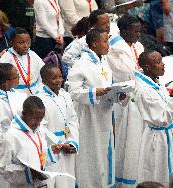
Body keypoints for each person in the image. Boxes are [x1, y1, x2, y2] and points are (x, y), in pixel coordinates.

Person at [134, 50, 173, 186]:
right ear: (147, 67)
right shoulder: (144, 91)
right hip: (159, 139)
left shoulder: (156, 82)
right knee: (159, 173)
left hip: (170, 133)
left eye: (161, 61)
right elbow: (162, 117)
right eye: (158, 63)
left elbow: (166, 105)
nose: (163, 65)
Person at [67, 28, 114, 188]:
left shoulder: (104, 61)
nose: (108, 45)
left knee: (103, 153)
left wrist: (118, 94)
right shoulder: (81, 64)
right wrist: (94, 92)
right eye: (105, 41)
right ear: (94, 44)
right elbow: (72, 92)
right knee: (91, 154)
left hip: (104, 114)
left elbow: (108, 84)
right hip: (88, 117)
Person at [107, 14, 144, 187]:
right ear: (124, 31)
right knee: (126, 140)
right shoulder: (114, 49)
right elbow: (125, 75)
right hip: (124, 100)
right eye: (135, 31)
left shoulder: (139, 46)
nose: (138, 35)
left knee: (139, 140)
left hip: (141, 97)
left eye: (139, 31)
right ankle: (123, 179)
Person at [0, 96, 62, 188]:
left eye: (40, 119)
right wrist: (28, 173)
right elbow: (2, 168)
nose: (37, 122)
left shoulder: (38, 131)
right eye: (35, 118)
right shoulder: (12, 136)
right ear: (24, 113)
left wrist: (51, 152)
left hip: (41, 184)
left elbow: (37, 155)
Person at [37, 64, 79, 188]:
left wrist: (72, 141)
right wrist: (59, 144)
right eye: (54, 78)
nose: (59, 80)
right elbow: (40, 127)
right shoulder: (39, 98)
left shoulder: (64, 95)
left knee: (67, 180)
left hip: (68, 143)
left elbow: (73, 119)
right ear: (44, 81)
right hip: (52, 148)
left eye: (60, 77)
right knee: (54, 181)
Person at [0, 27, 45, 95]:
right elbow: (1, 83)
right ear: (12, 43)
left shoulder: (33, 55)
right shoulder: (5, 59)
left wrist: (39, 90)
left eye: (28, 42)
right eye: (21, 43)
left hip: (35, 92)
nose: (26, 46)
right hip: (15, 95)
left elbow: (42, 73)